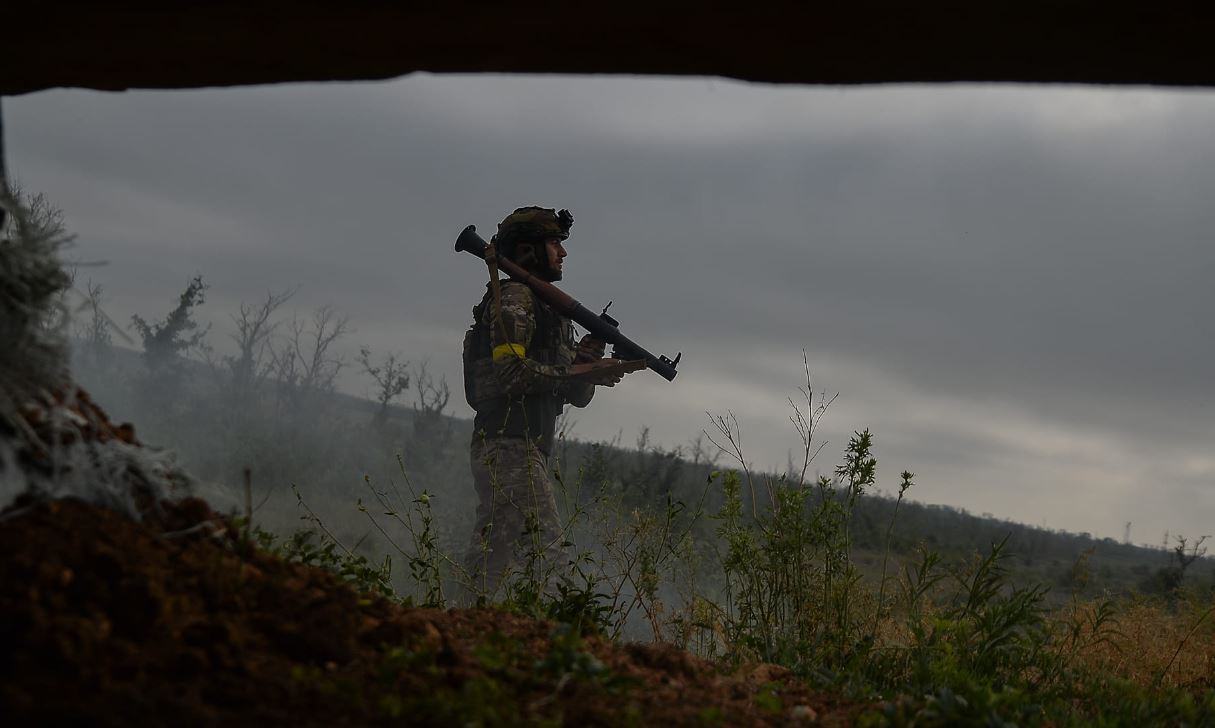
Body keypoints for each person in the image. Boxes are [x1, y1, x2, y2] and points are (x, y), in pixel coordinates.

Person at [461, 206, 630, 594]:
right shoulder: (517, 297)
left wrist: (588, 364)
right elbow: (512, 374)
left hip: (522, 447)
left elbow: (574, 394)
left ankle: (453, 630)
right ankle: (564, 645)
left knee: (489, 563)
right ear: (528, 250)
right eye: (555, 243)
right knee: (549, 561)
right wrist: (580, 371)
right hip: (509, 446)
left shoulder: (549, 308)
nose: (563, 253)